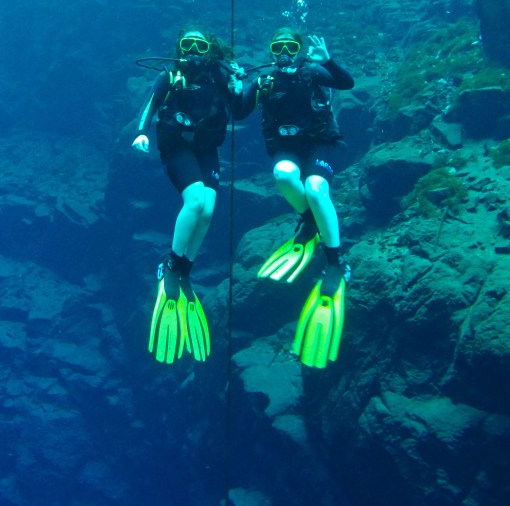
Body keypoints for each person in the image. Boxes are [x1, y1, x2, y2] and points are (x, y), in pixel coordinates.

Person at [241, 29, 355, 368]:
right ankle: (309, 220)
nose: (285, 53)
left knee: (317, 188)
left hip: (321, 142)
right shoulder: (266, 81)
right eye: (278, 48)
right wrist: (237, 86)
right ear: (272, 52)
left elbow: (346, 83)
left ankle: (336, 264)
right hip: (289, 148)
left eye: (291, 47)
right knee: (284, 177)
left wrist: (328, 60)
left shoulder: (312, 72)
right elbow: (240, 111)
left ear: (299, 50)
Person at [133, 28, 244, 364]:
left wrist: (239, 88)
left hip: (207, 150)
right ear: (179, 48)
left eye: (200, 46)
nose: (194, 51)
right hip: (177, 146)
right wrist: (140, 133)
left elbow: (239, 111)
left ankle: (184, 270)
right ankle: (169, 267)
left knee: (208, 211)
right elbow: (150, 105)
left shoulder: (219, 75)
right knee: (195, 201)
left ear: (209, 50)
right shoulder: (171, 76)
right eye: (188, 45)